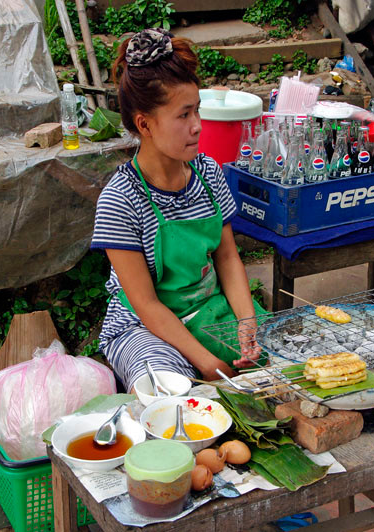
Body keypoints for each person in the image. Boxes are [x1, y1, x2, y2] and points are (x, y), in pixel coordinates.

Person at [91, 28, 266, 392]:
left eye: (197, 110)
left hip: (209, 311)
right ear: (145, 124)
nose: (198, 126)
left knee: (279, 362)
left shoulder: (209, 174)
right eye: (184, 115)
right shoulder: (120, 199)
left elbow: (228, 258)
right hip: (143, 325)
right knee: (168, 389)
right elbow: (145, 303)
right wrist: (206, 361)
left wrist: (246, 322)